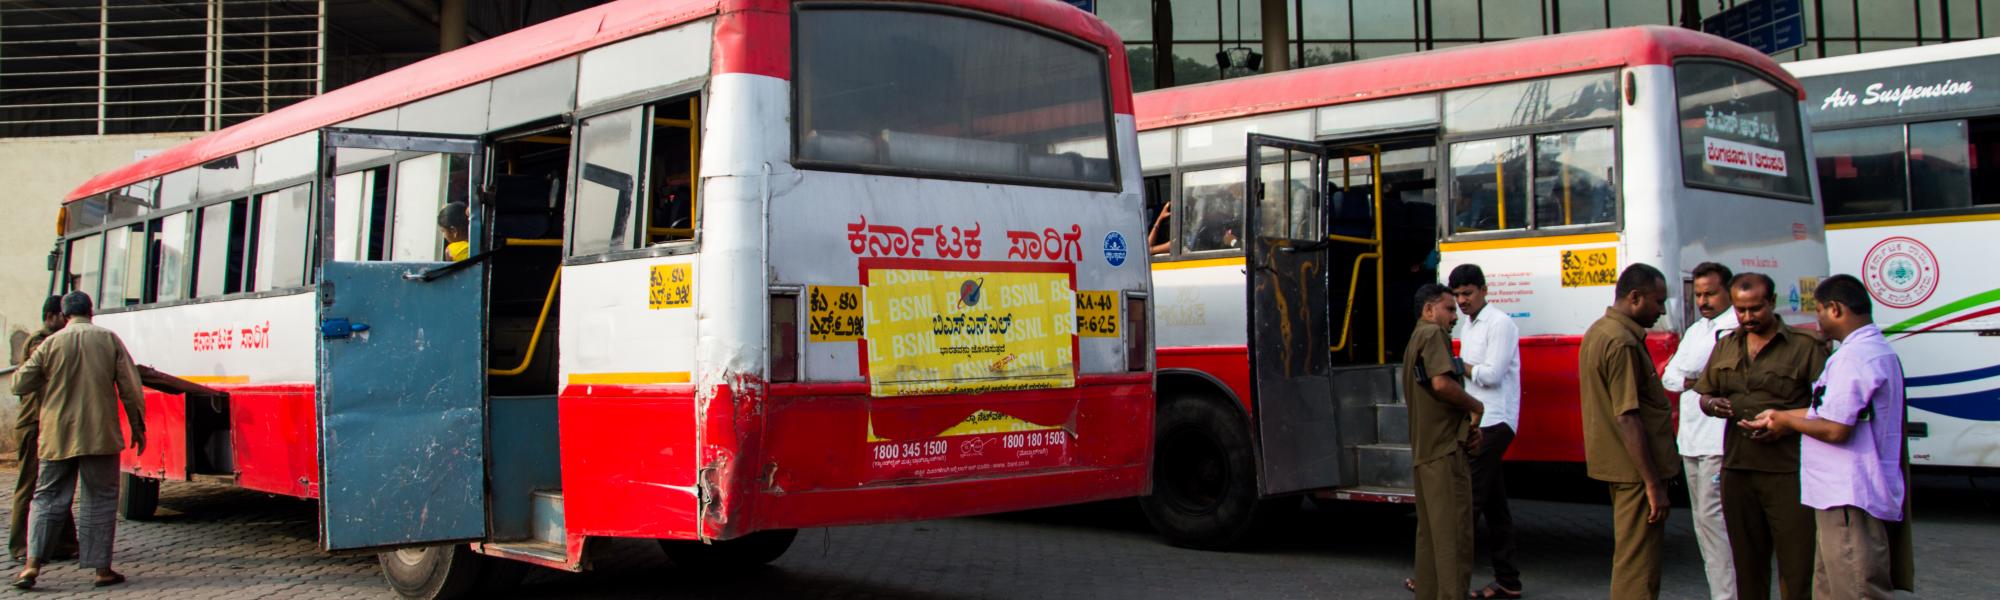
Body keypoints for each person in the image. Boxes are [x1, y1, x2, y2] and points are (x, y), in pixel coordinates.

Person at [1739, 275, 1913, 598]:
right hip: (1841, 494)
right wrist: (1781, 415)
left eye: (1818, 310)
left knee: (1855, 588)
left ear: (1835, 309)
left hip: (1849, 495)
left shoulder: (1855, 357)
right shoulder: (1869, 350)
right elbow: (1829, 411)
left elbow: (1836, 428)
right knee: (1830, 588)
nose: (1817, 319)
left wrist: (1787, 422)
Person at [1695, 272, 1829, 600]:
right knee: (1747, 567)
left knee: (1797, 567)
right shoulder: (1726, 345)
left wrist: (1786, 423)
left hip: (1788, 471)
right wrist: (1712, 404)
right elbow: (1704, 394)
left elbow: (1826, 408)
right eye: (1740, 310)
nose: (1747, 317)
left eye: (1755, 308)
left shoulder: (1804, 347)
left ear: (1772, 302)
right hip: (1738, 470)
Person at [8, 292, 146, 589]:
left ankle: (31, 566)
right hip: (100, 433)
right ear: (90, 311)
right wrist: (138, 426)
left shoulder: (50, 343)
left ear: (64, 315)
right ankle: (102, 570)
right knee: (101, 499)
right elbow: (130, 387)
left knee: (46, 498)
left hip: (57, 434)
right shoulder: (108, 339)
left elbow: (19, 383)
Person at [1577, 263, 1680, 600]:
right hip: (1635, 471)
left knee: (1633, 558)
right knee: (1639, 566)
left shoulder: (1601, 331)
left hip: (1624, 467)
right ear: (1635, 297)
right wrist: (1652, 484)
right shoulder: (1621, 341)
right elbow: (1627, 417)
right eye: (1658, 301)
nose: (1661, 310)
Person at [1660, 262, 1739, 600]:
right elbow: (1669, 377)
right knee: (1704, 525)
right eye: (1699, 294)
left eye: (1711, 293)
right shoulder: (1696, 330)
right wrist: (1697, 380)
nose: (1704, 300)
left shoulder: (1734, 328)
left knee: (1715, 523)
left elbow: (1698, 372)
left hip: (1717, 441)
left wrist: (1691, 378)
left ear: (1728, 292)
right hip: (1691, 441)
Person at [1400, 283, 1483, 600]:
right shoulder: (1433, 334)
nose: (1455, 316)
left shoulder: (1416, 338)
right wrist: (1476, 406)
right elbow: (1441, 383)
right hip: (1444, 452)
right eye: (1449, 309)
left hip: (1427, 453)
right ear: (1429, 309)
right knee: (1453, 540)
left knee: (1431, 540)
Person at [1447, 264, 1523, 599]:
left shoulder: (1500, 323)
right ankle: (1508, 581)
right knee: (1494, 504)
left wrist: (1457, 364)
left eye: (1467, 293)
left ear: (1483, 290)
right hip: (1480, 420)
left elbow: (1491, 375)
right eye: (1457, 295)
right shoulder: (1469, 324)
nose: (1462, 300)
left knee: (1467, 501)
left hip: (1496, 420)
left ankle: (1443, 579)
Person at [8, 297, 78, 563]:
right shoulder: (40, 342)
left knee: (56, 483)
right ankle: (19, 545)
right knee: (29, 485)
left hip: (50, 423)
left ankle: (64, 543)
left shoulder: (55, 339)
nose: (67, 320)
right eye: (62, 316)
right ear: (50, 317)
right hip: (34, 424)